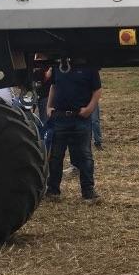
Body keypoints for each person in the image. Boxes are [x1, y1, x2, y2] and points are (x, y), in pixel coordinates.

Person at [45, 58, 102, 202]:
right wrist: (49, 106)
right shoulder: (59, 65)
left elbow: (97, 90)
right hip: (60, 117)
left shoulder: (89, 66)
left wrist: (89, 109)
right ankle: (52, 191)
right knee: (55, 157)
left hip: (80, 118)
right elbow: (53, 86)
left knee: (85, 156)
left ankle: (88, 191)